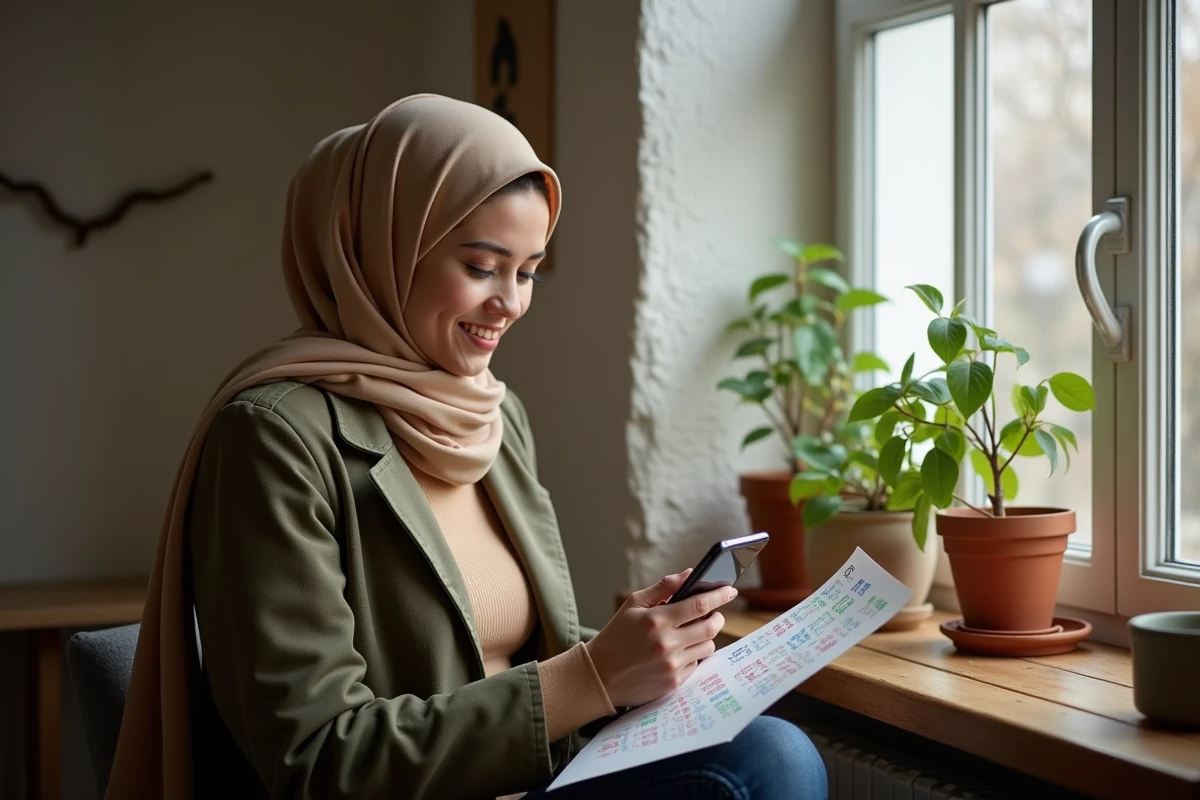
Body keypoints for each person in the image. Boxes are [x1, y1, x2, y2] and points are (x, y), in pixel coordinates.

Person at [104, 94, 828, 800]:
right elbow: (317, 761)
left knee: (767, 744)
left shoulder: (493, 415)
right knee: (771, 762)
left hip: (527, 778)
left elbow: (519, 651)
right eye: (482, 267)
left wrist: (631, 651)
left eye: (529, 270)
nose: (510, 303)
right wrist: (594, 676)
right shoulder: (273, 437)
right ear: (378, 251)